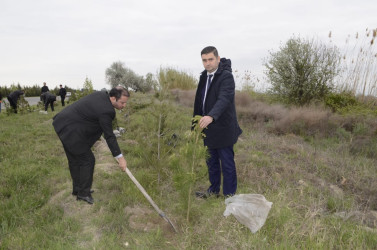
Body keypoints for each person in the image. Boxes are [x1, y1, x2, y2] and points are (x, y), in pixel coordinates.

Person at [52, 86, 129, 204]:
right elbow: (109, 136)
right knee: (88, 160)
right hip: (72, 131)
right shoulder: (107, 111)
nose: (124, 106)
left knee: (75, 160)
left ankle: (78, 190)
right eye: (122, 103)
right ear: (113, 98)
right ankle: (83, 194)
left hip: (63, 123)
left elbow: (92, 117)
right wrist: (120, 158)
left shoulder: (101, 95)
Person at [193, 46, 242, 199]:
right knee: (211, 162)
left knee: (227, 164)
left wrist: (211, 116)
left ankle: (230, 196)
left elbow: (224, 99)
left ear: (218, 59)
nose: (207, 63)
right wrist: (195, 125)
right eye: (204, 60)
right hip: (208, 129)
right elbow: (199, 102)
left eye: (210, 59)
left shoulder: (226, 76)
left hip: (223, 127)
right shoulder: (203, 77)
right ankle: (213, 191)